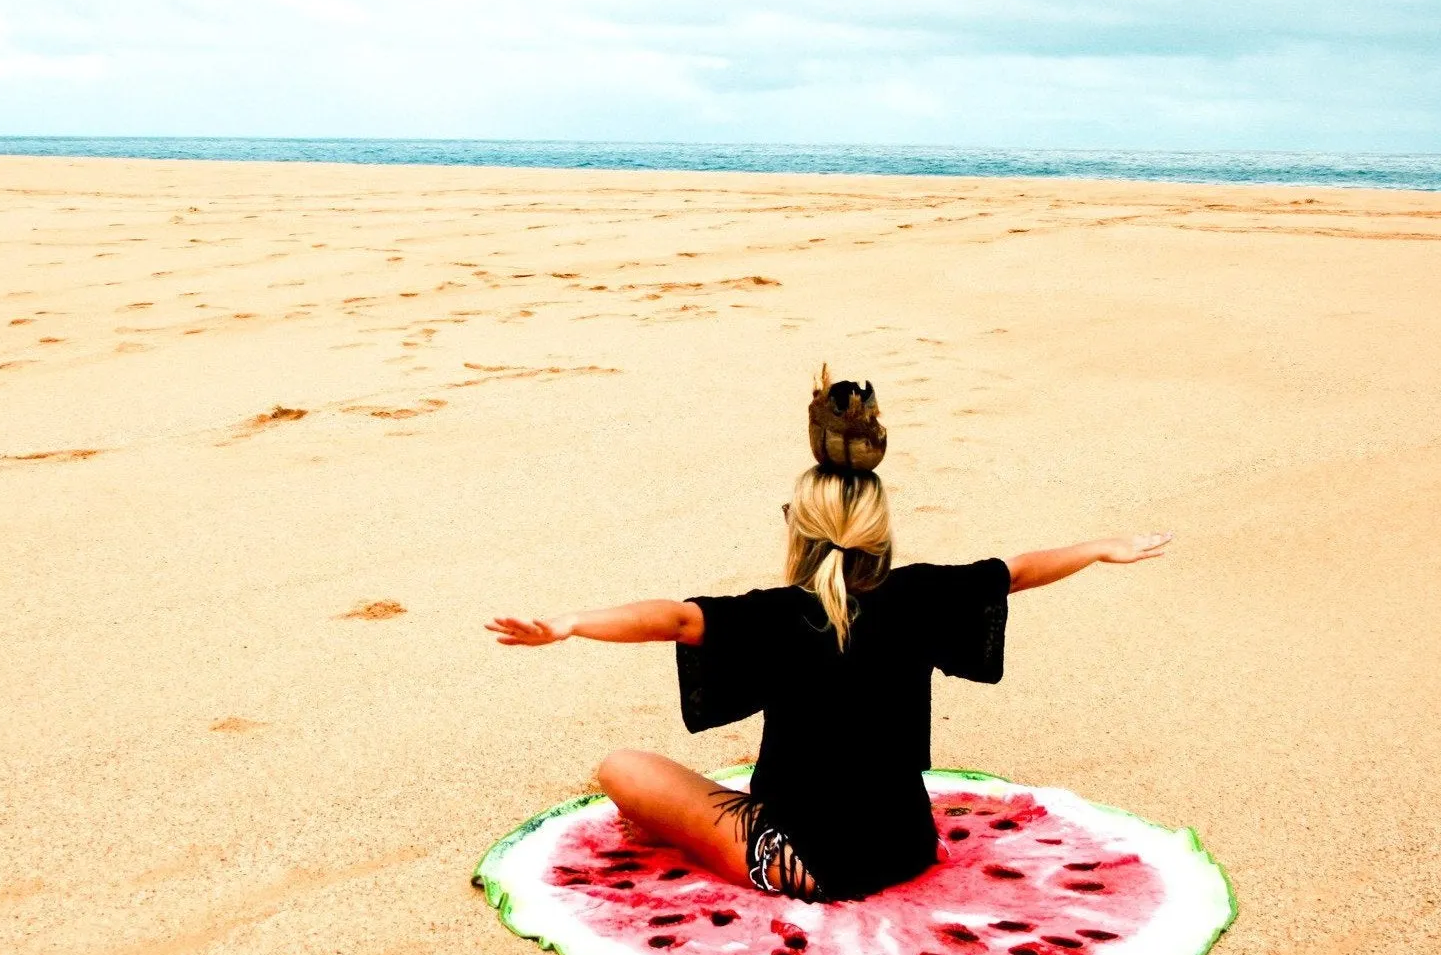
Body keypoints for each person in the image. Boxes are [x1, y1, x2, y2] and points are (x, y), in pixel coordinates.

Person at [486, 366, 1171, 903]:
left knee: (622, 769)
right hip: (907, 844)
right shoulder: (923, 594)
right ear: (880, 533)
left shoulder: (773, 614)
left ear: (798, 529)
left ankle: (715, 844)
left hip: (801, 863)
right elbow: (1016, 572)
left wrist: (569, 625)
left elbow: (671, 616)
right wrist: (1098, 546)